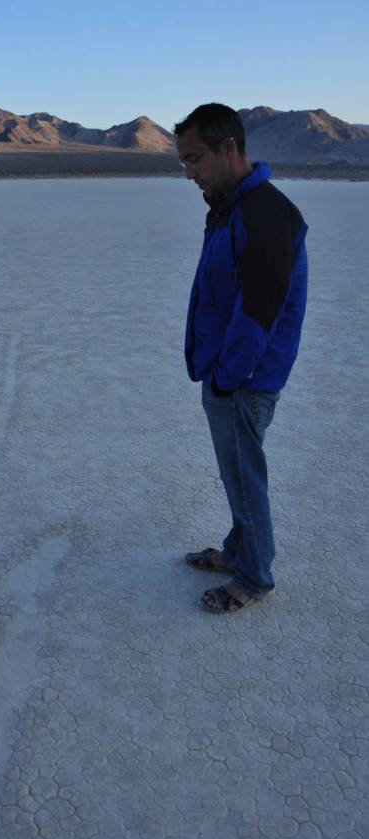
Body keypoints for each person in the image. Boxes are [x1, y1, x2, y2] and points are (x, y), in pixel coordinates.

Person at [174, 103, 308, 613]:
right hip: (229, 373)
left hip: (244, 380)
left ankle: (253, 577)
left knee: (245, 476)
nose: (188, 174)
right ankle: (238, 550)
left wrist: (229, 378)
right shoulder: (234, 206)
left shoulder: (265, 215)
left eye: (194, 160)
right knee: (236, 474)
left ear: (228, 148)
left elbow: (258, 314)